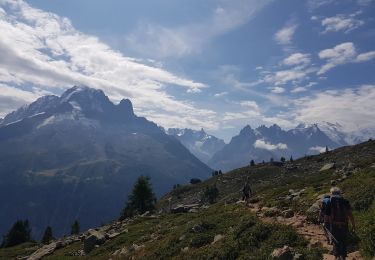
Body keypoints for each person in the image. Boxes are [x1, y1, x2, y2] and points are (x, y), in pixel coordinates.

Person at [326, 187, 356, 260]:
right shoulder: (345, 201)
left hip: (334, 225)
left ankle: (337, 256)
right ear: (340, 193)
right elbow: (350, 214)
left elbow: (327, 216)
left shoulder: (329, 202)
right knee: (343, 240)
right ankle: (343, 256)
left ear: (331, 193)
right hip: (344, 224)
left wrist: (327, 225)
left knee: (336, 240)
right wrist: (353, 225)